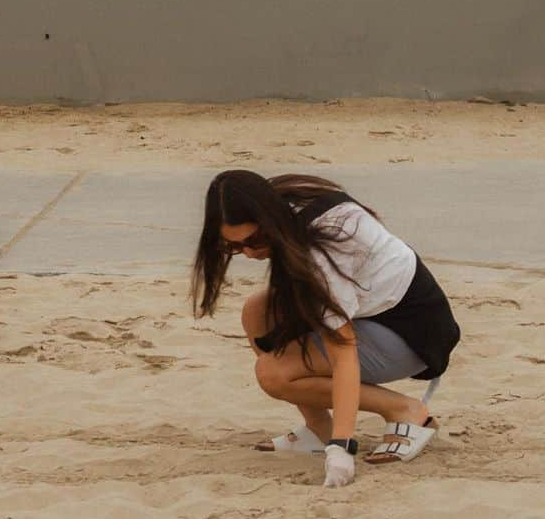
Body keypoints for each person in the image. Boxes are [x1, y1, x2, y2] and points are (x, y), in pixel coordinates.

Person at [191, 170, 460, 487]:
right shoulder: (284, 204)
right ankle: (319, 429)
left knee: (274, 373)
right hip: (372, 313)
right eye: (233, 247)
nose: (249, 253)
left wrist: (343, 448)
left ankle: (404, 411)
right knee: (257, 312)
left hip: (412, 335)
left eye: (256, 240)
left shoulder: (321, 251)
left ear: (271, 219)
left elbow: (342, 350)